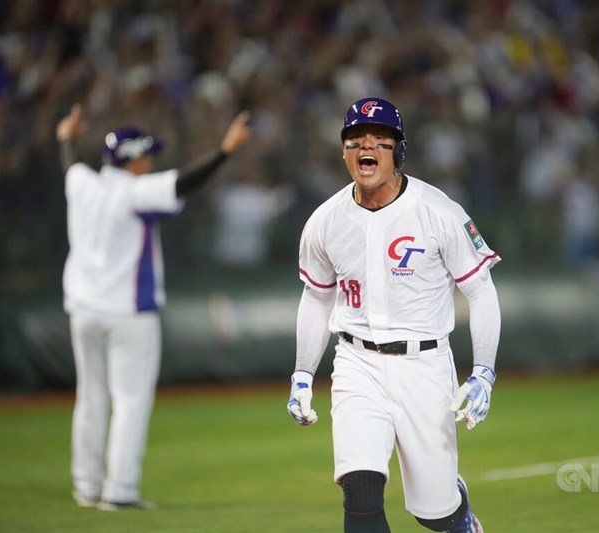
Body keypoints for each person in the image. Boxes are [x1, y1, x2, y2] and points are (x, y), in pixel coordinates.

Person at [287, 97, 501, 532]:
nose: (367, 146)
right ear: (344, 151)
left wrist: (483, 372)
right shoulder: (325, 220)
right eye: (355, 139)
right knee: (360, 491)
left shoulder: (438, 210)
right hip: (356, 363)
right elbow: (316, 298)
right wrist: (303, 374)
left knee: (434, 514)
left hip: (424, 365)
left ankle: (457, 512)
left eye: (381, 140)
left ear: (398, 151)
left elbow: (480, 292)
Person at [56, 104, 251, 510]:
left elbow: (71, 162)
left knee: (90, 397)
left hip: (83, 309)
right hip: (128, 311)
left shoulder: (83, 183)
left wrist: (67, 138)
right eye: (147, 156)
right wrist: (225, 151)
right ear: (135, 160)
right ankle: (120, 490)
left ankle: (86, 485)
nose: (150, 162)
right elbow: (183, 183)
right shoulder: (134, 191)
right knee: (130, 401)